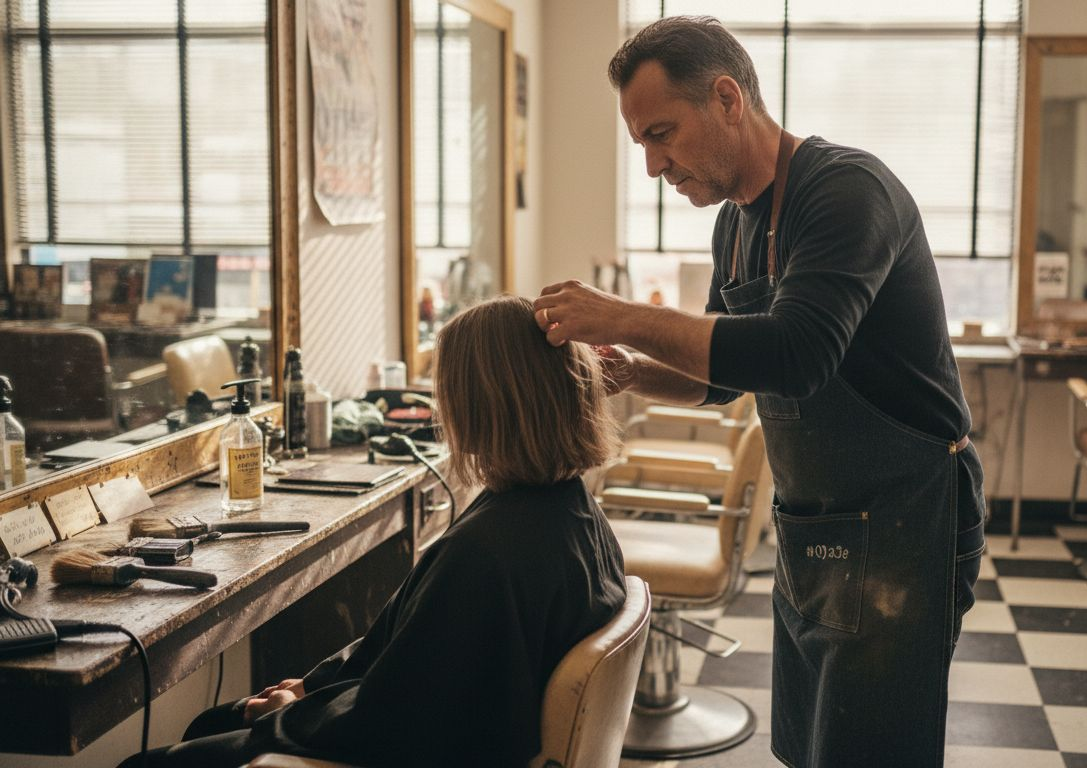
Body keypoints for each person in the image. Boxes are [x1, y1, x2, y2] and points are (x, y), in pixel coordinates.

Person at [533, 16, 985, 768]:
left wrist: (621, 315)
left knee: (872, 751)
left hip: (907, 521)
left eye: (662, 133)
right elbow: (736, 373)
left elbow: (797, 353)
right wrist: (635, 373)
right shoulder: (735, 224)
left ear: (728, 98)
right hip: (817, 525)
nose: (652, 165)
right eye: (642, 142)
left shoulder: (847, 194)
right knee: (813, 745)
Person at [119, 296, 627, 768]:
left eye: (445, 390)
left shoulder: (486, 554)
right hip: (430, 725)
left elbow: (392, 723)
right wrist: (313, 688)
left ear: (479, 403)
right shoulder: (570, 508)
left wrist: (284, 714)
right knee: (211, 723)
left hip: (404, 749)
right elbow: (405, 647)